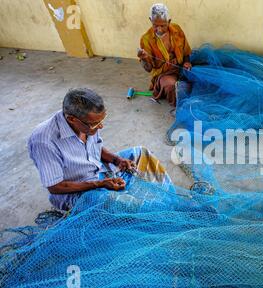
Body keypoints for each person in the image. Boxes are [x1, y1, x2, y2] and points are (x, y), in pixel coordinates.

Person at [28, 88, 171, 211]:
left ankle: (171, 199)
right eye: (95, 124)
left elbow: (94, 147)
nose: (100, 127)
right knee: (118, 204)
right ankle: (152, 211)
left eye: (101, 121)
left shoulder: (86, 123)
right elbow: (55, 187)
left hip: (98, 171)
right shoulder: (44, 141)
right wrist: (99, 184)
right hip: (76, 192)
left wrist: (117, 160)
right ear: (72, 119)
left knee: (141, 153)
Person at [138, 3, 192, 108]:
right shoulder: (146, 39)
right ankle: (181, 109)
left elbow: (186, 51)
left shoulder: (177, 29)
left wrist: (186, 62)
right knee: (171, 86)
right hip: (164, 74)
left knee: (201, 77)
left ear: (169, 21)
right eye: (155, 25)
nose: (159, 29)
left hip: (180, 67)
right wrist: (144, 59)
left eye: (163, 25)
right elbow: (149, 69)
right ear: (150, 20)